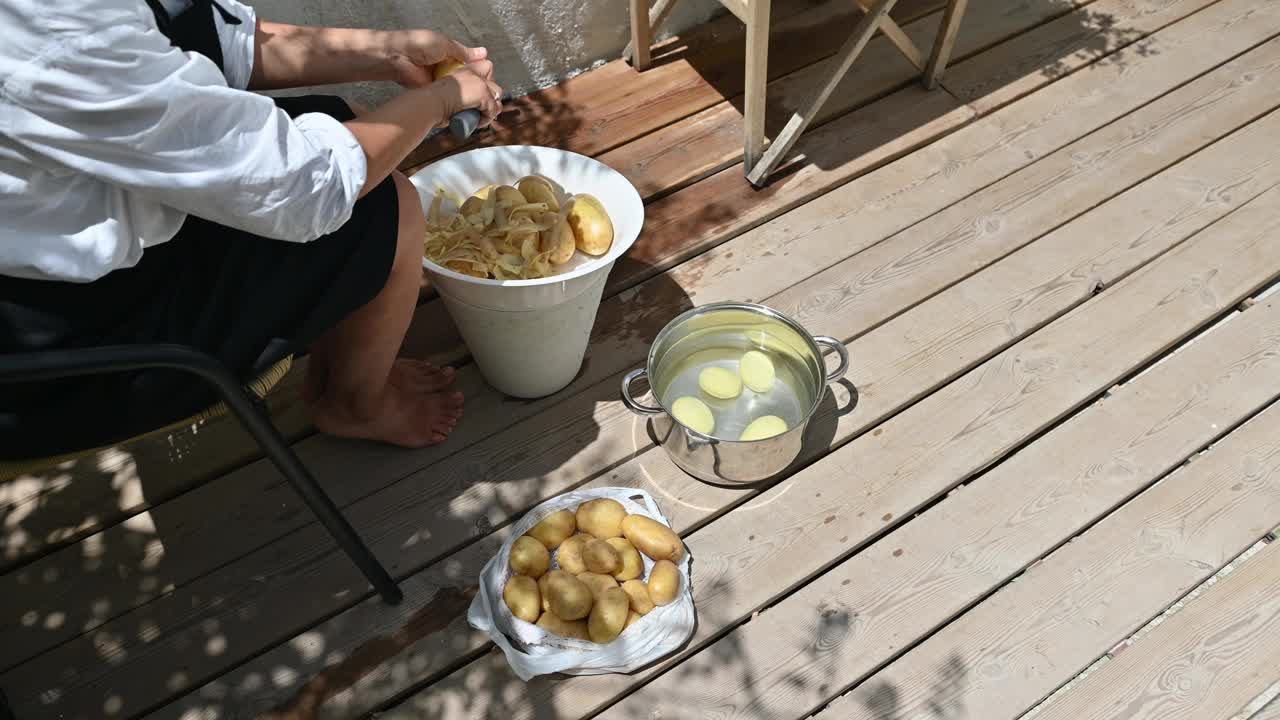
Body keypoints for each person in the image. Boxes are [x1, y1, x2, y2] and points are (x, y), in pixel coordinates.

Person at [0, 0, 504, 457]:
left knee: (342, 122)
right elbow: (310, 188)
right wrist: (441, 100)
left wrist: (388, 52)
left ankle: (342, 377)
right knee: (384, 206)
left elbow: (205, 32)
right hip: (61, 359)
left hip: (66, 249)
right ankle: (354, 404)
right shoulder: (53, 32)